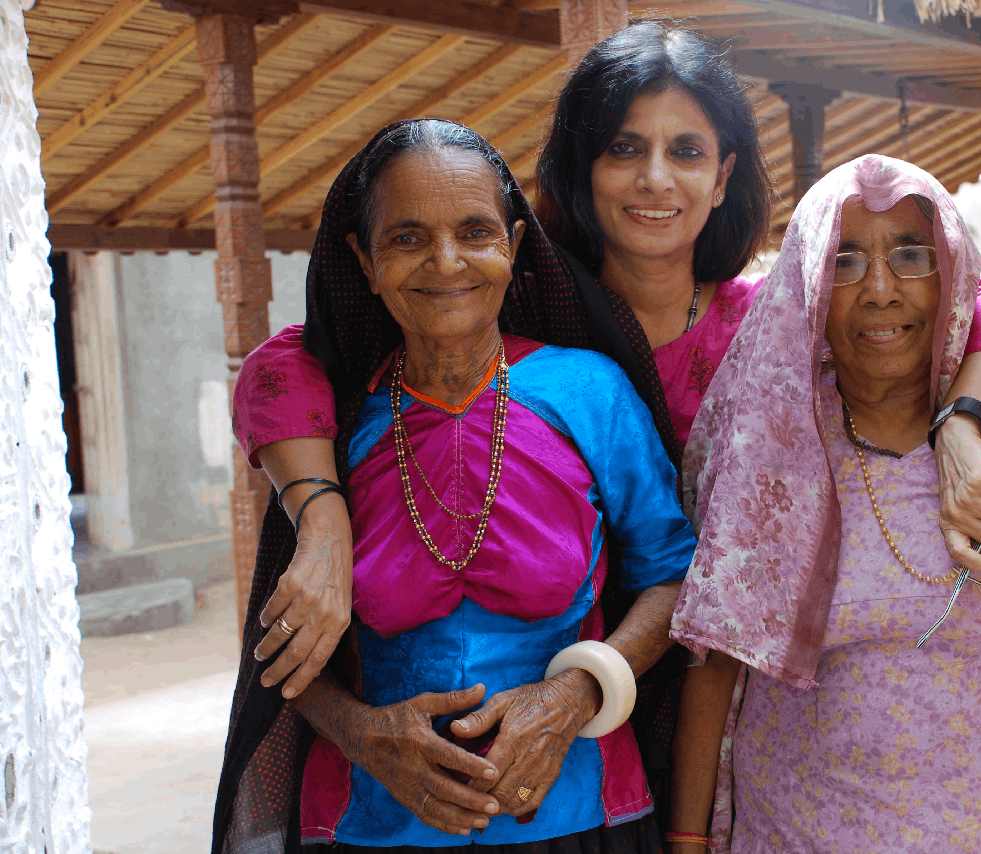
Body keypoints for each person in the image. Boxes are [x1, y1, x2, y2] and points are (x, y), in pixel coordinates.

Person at [224, 21, 981, 842]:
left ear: (724, 174)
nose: (654, 178)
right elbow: (278, 366)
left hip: (711, 705)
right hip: (540, 727)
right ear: (580, 170)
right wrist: (323, 514)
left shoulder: (771, 331)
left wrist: (963, 422)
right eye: (623, 148)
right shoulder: (513, 306)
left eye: (686, 151)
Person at [668, 155, 981, 854]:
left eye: (912, 257)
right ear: (810, 289)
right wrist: (689, 842)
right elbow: (718, 655)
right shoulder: (776, 450)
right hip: (809, 830)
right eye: (844, 262)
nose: (881, 290)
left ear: (952, 276)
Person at [215, 120, 698, 853]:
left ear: (512, 245)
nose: (446, 263)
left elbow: (675, 577)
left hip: (579, 817)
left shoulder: (587, 392)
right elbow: (283, 646)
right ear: (364, 262)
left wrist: (576, 694)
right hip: (370, 826)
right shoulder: (335, 420)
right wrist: (363, 734)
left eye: (475, 232)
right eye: (406, 238)